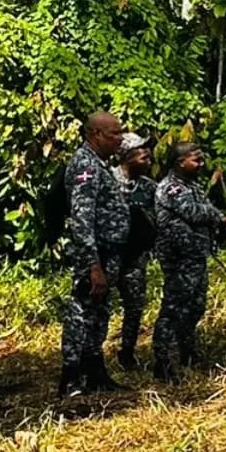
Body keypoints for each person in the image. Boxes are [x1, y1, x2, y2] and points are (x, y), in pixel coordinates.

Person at [152, 140, 226, 381]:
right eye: (196, 160)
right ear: (180, 162)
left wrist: (217, 219)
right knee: (173, 308)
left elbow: (205, 209)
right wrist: (216, 216)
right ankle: (163, 362)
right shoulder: (171, 188)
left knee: (195, 306)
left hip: (196, 257)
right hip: (179, 259)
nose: (201, 164)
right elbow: (195, 212)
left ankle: (187, 353)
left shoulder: (192, 186)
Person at [60, 110, 128, 396]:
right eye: (115, 133)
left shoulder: (99, 164)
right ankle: (72, 376)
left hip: (108, 253)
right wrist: (93, 264)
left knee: (98, 313)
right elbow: (82, 218)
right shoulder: (85, 165)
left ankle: (94, 372)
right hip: (94, 255)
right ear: (96, 134)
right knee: (82, 311)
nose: (121, 138)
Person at [114, 133, 157, 370]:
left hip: (135, 259)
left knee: (135, 306)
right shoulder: (108, 182)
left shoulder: (149, 187)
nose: (148, 160)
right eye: (143, 156)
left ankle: (127, 352)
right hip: (109, 256)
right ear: (128, 157)